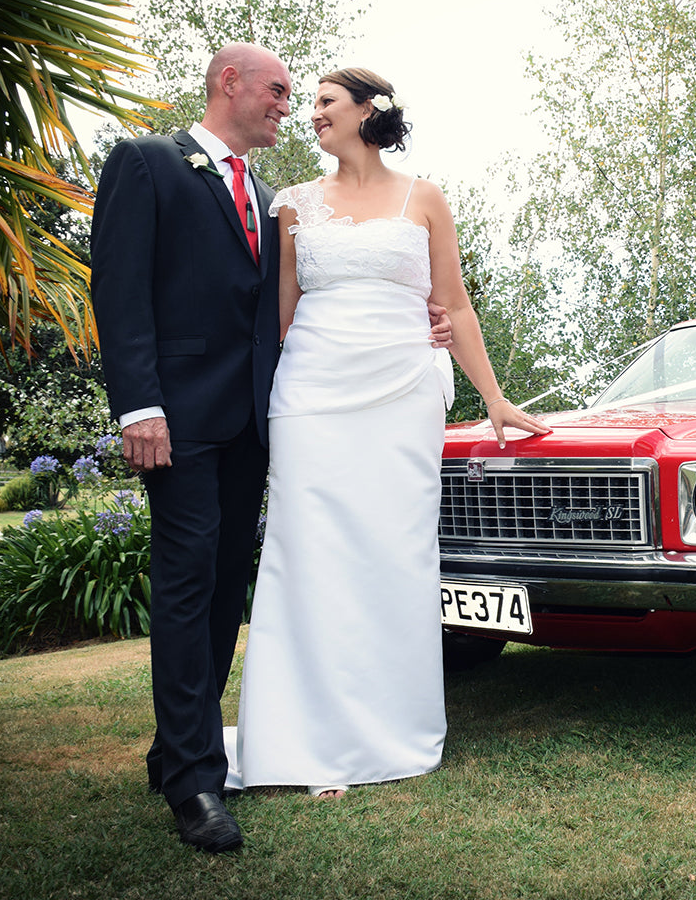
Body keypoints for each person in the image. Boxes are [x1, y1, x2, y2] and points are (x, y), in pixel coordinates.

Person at [91, 45, 451, 852]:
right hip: (176, 421)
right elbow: (117, 290)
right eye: (280, 92)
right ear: (231, 84)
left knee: (223, 585)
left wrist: (408, 323)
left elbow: (282, 308)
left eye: (301, 96)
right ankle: (193, 784)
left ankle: (175, 748)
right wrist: (139, 405)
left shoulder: (265, 194)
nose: (289, 107)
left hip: (257, 420)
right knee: (187, 581)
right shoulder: (148, 162)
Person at [224, 67, 550, 800]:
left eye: (325, 103)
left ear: (367, 111)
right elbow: (282, 312)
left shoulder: (424, 197)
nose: (311, 116)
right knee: (308, 553)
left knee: (392, 553)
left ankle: (385, 733)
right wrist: (257, 404)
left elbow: (454, 306)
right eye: (306, 104)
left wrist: (493, 397)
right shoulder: (294, 206)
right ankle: (301, 741)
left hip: (401, 395)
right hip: (311, 394)